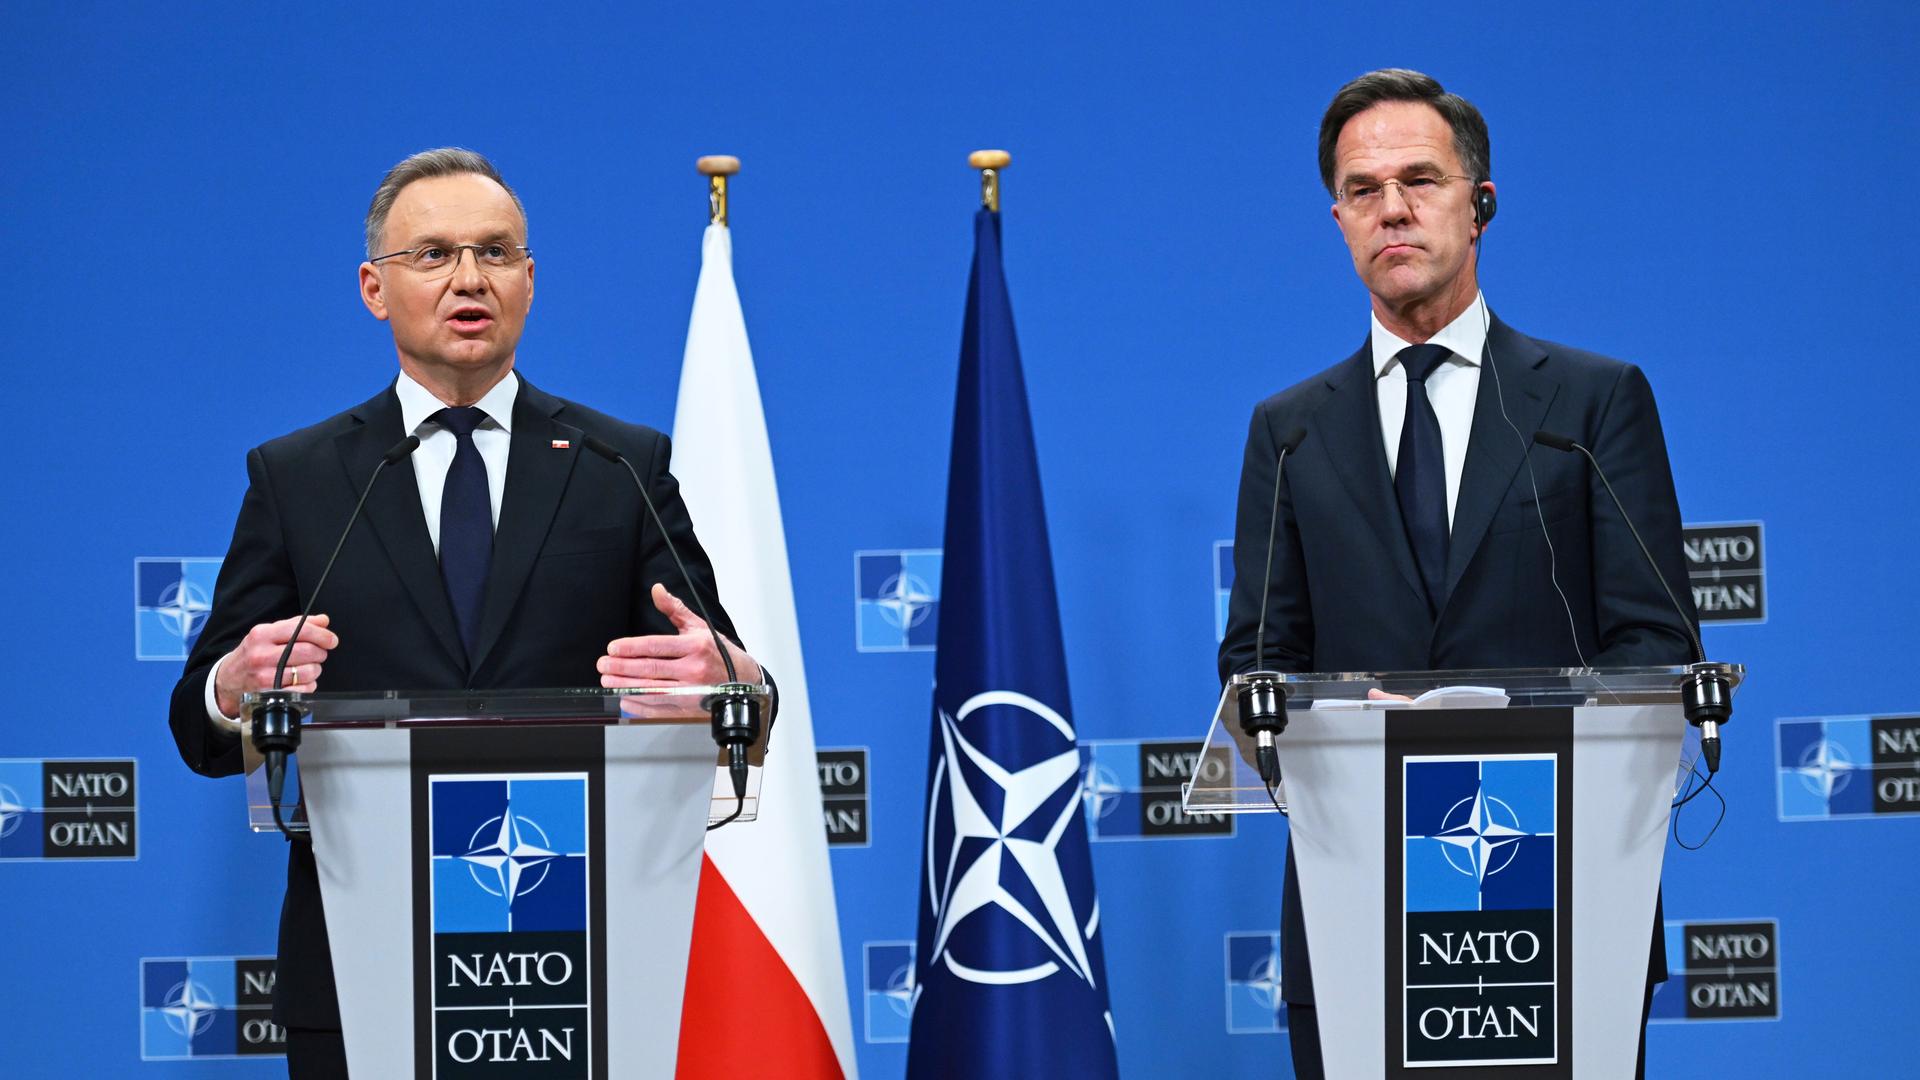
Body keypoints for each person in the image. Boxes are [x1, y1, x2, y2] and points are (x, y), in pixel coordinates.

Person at [166, 147, 766, 1077]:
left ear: (530, 281)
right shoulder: (298, 478)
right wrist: (233, 690)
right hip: (358, 956)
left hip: (578, 958)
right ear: (375, 287)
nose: (468, 278)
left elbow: (727, 680)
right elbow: (200, 732)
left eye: (495, 252)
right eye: (434, 255)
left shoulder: (618, 466)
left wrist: (741, 686)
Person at [1217, 70, 1695, 1079]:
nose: (1391, 207)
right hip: (1359, 905)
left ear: (1479, 203)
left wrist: (1507, 726)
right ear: (1340, 221)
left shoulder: (1593, 401)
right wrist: (1347, 722)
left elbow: (1656, 645)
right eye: (1362, 189)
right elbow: (1257, 664)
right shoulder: (1290, 432)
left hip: (1559, 897)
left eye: (1420, 179)